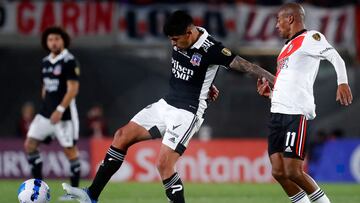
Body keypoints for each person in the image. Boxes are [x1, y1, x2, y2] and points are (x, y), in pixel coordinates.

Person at [62, 10, 274, 203]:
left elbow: (247, 65)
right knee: (121, 136)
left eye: (176, 39)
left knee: (164, 164)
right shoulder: (180, 39)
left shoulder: (213, 49)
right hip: (166, 104)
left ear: (189, 33)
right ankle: (91, 196)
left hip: (187, 112)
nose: (173, 43)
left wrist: (274, 79)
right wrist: (208, 84)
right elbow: (195, 71)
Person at [256, 3, 353, 203]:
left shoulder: (310, 38)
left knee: (293, 170)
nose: (276, 25)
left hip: (295, 114)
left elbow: (336, 58)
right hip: (277, 113)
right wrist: (271, 94)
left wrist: (342, 82)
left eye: (278, 20)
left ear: (290, 19)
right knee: (279, 172)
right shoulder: (285, 49)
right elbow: (289, 83)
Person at [24, 26, 81, 201]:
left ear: (63, 40)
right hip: (45, 114)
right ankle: (38, 186)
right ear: (46, 42)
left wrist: (59, 109)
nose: (53, 42)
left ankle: (73, 193)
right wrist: (46, 107)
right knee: (30, 145)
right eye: (50, 39)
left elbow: (73, 90)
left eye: (57, 39)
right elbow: (45, 87)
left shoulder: (69, 61)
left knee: (70, 152)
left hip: (64, 115)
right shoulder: (45, 62)